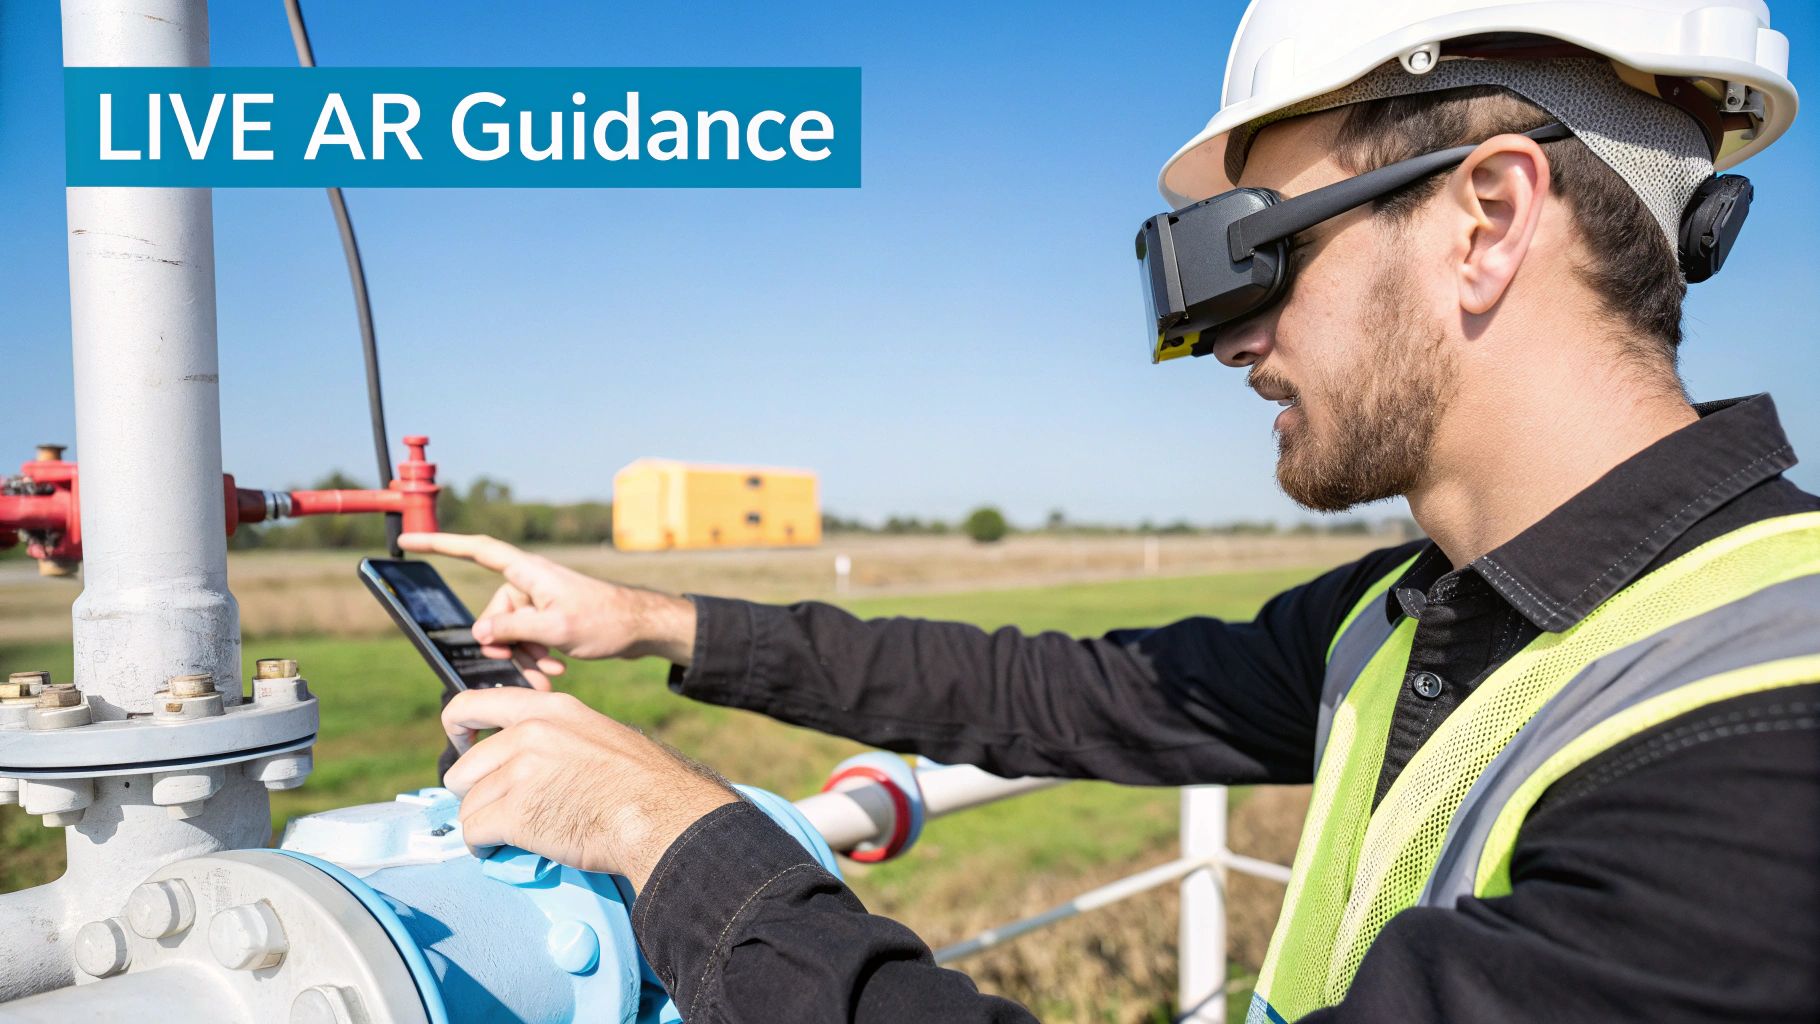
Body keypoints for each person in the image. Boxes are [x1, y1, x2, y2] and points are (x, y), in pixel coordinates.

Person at [405, 1, 1820, 1020]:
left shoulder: (1764, 736)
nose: (1221, 341)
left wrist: (680, 844)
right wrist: (649, 618)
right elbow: (1056, 694)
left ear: (1489, 218)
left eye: (1248, 253)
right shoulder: (1420, 614)